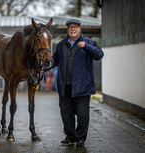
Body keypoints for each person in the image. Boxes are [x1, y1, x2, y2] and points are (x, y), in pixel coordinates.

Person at [51, 19, 104, 147]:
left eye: (75, 27)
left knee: (82, 114)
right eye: (70, 27)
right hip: (65, 86)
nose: (72, 29)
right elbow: (54, 61)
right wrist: (43, 67)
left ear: (80, 29)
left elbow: (99, 55)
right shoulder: (61, 45)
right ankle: (70, 136)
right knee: (66, 113)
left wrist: (86, 46)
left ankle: (80, 138)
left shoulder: (88, 42)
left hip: (83, 87)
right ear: (67, 30)